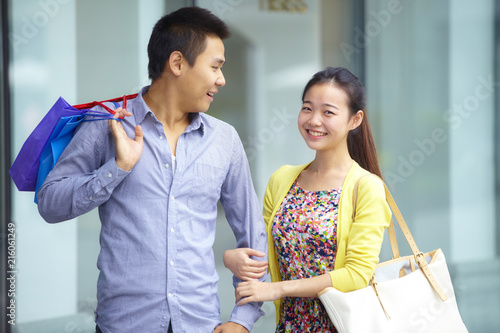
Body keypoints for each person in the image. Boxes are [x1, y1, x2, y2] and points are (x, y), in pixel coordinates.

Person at [37, 7, 268, 333]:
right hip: (125, 324)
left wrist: (242, 321)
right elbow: (50, 203)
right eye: (215, 67)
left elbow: (253, 240)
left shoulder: (224, 140)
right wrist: (117, 168)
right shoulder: (108, 123)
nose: (221, 79)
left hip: (200, 323)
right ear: (177, 63)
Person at [224, 67, 391, 332]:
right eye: (307, 108)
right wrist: (232, 258)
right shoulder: (282, 179)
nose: (314, 120)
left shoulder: (367, 187)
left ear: (355, 120)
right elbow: (264, 253)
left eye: (328, 112)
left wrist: (276, 290)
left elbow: (357, 275)